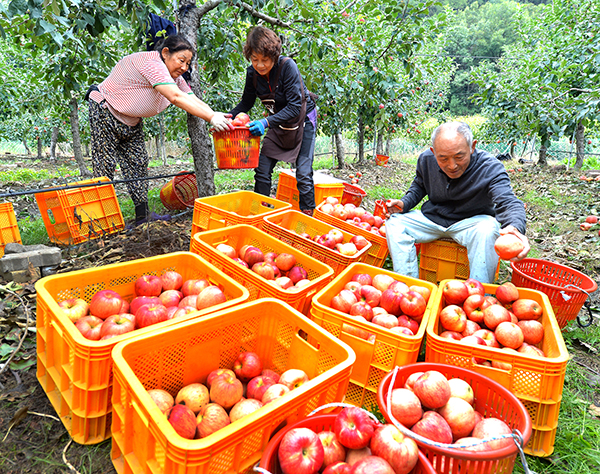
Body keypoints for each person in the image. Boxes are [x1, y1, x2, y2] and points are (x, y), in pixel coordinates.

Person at [87, 34, 232, 226]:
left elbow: (190, 97)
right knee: (104, 166)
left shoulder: (175, 78)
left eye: (188, 64)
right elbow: (175, 98)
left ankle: (142, 216)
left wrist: (213, 113)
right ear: (165, 53)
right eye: (181, 60)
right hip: (106, 109)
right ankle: (99, 222)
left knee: (138, 162)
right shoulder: (152, 63)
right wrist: (211, 118)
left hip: (132, 121)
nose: (184, 67)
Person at [384, 121, 530, 283]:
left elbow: (508, 201)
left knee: (489, 228)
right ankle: (408, 287)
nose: (452, 165)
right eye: (443, 159)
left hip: (471, 223)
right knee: (395, 223)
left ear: (472, 147)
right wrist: (404, 204)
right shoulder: (426, 159)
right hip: (433, 219)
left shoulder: (490, 168)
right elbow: (419, 185)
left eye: (459, 157)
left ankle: (479, 295)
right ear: (434, 152)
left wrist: (515, 227)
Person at [229, 26, 318, 215]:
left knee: (302, 173)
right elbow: (246, 102)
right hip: (278, 122)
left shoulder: (288, 67)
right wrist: (227, 118)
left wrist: (265, 123)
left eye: (265, 60)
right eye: (255, 60)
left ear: (274, 56)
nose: (260, 65)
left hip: (302, 121)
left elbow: (294, 107)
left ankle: (308, 216)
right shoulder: (252, 74)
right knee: (262, 170)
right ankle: (260, 214)